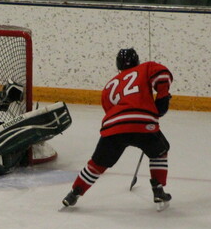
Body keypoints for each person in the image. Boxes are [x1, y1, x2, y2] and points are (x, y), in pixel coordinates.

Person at [62, 48, 173, 212]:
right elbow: (163, 74)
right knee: (160, 151)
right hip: (143, 123)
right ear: (137, 62)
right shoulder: (146, 67)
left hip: (114, 126)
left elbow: (110, 110)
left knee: (97, 163)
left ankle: (74, 192)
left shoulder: (108, 87)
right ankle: (158, 189)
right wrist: (162, 97)